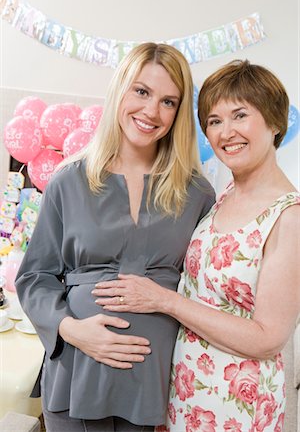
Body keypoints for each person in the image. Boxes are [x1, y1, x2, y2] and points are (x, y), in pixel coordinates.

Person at [15, 42, 215, 432]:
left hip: (154, 381)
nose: (151, 111)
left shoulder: (197, 193)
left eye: (168, 101)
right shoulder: (68, 181)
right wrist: (73, 330)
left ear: (179, 113)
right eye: (142, 91)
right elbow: (34, 278)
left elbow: (204, 289)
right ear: (120, 90)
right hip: (77, 372)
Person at [93, 60, 300, 431]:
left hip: (235, 406)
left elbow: (268, 338)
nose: (226, 132)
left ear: (275, 123)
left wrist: (163, 300)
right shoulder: (225, 195)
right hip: (188, 392)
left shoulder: (289, 217)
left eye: (240, 115)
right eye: (215, 121)